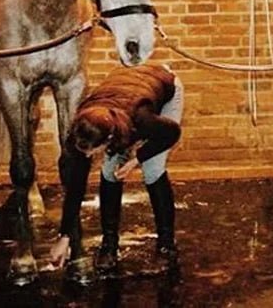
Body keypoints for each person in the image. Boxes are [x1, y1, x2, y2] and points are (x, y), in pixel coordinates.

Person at [49, 63, 183, 276]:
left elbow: (172, 133)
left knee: (152, 170)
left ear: (110, 139)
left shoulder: (142, 120)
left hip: (163, 87)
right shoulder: (82, 129)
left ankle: (167, 246)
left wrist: (136, 158)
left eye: (95, 150)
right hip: (125, 87)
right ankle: (109, 245)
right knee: (110, 171)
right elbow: (75, 185)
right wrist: (64, 236)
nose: (87, 156)